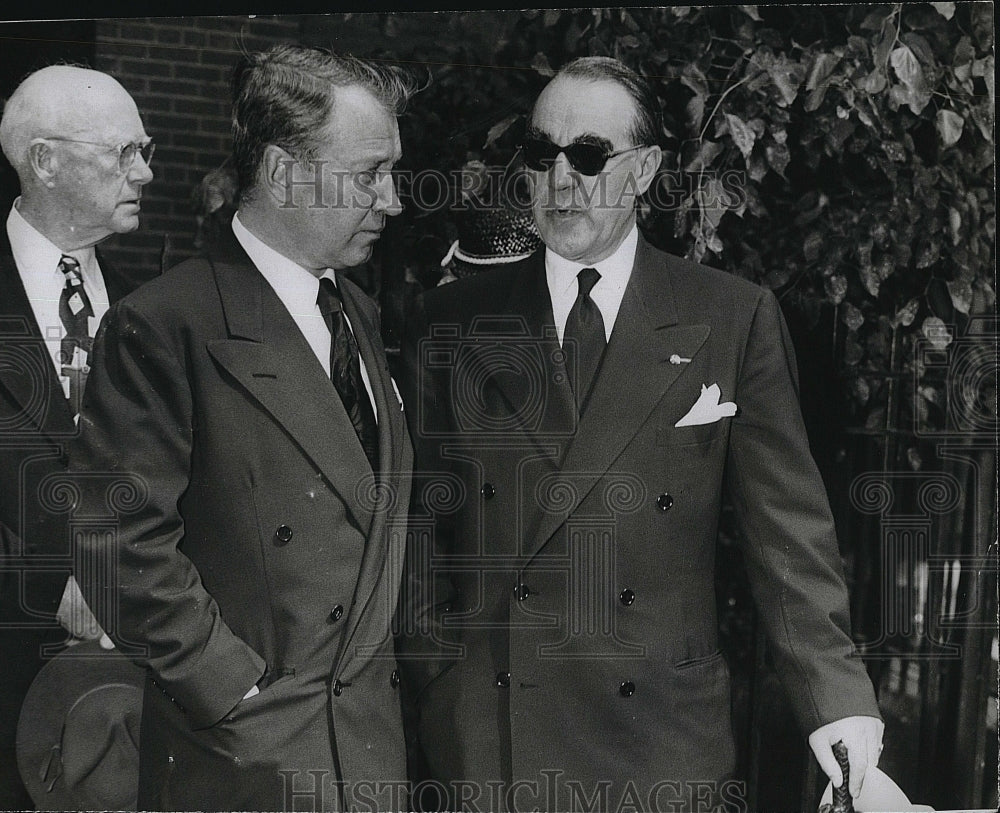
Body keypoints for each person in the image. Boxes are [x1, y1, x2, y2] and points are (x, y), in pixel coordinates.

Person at [400, 56, 883, 812]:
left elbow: (789, 536)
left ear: (647, 168)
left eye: (589, 156)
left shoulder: (730, 316)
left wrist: (840, 707)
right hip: (496, 740)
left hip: (662, 742)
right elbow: (421, 528)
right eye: (541, 154)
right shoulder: (453, 320)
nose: (561, 180)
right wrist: (444, 684)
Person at [71, 44, 416, 812]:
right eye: (369, 174)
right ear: (285, 173)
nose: (391, 200)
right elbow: (118, 545)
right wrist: (233, 688)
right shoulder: (165, 324)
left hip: (368, 756)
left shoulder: (357, 314)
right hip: (243, 764)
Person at [0, 64, 153, 809]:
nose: (146, 172)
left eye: (145, 150)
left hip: (118, 711)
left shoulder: (152, 311)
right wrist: (46, 587)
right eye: (123, 153)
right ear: (45, 160)